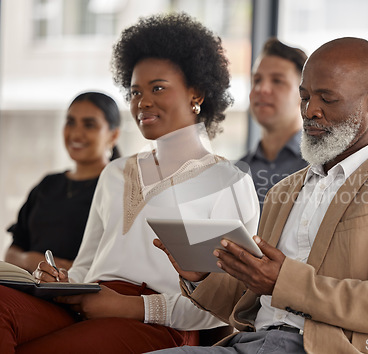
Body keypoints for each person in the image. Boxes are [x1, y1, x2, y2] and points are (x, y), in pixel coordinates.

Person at [153, 37, 368, 354]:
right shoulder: (286, 189)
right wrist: (200, 277)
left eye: (328, 99)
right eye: (305, 97)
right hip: (252, 343)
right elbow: (246, 302)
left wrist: (284, 282)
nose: (311, 111)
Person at [0, 13, 259, 354]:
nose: (142, 102)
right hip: (87, 305)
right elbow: (85, 265)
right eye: (135, 91)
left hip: (159, 326)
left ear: (196, 93)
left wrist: (126, 307)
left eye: (158, 88)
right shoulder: (115, 172)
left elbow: (227, 304)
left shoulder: (226, 180)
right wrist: (64, 284)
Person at [5, 91, 121, 273]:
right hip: (29, 289)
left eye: (89, 125)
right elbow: (12, 252)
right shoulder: (48, 184)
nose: (76, 133)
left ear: (113, 135)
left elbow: (116, 266)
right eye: (70, 122)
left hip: (78, 296)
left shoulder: (118, 188)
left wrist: (63, 269)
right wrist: (32, 260)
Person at [239, 38, 308, 210]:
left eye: (277, 81)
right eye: (257, 80)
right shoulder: (237, 172)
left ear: (303, 94)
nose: (262, 89)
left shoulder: (319, 168)